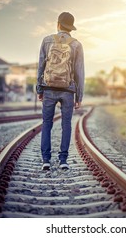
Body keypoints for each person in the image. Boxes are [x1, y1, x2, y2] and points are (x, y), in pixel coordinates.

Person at [36, 12, 85, 171]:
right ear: (71, 28)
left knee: (47, 123)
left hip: (49, 88)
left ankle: (46, 160)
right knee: (66, 125)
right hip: (68, 90)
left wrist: (39, 88)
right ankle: (63, 160)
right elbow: (79, 72)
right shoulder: (76, 44)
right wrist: (79, 96)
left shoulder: (47, 40)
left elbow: (41, 67)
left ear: (58, 24)